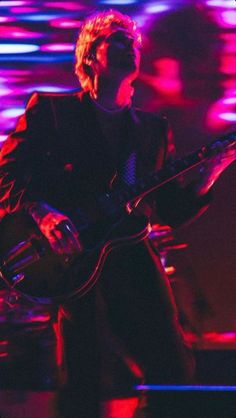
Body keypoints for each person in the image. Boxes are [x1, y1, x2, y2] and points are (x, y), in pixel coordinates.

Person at [0, 9, 235, 418]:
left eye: (135, 43)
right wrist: (43, 212)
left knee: (173, 367)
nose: (132, 47)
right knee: (82, 376)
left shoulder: (152, 130)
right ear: (90, 56)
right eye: (118, 40)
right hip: (71, 259)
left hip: (131, 256)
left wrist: (209, 174)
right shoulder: (52, 112)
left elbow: (169, 211)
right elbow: (6, 173)